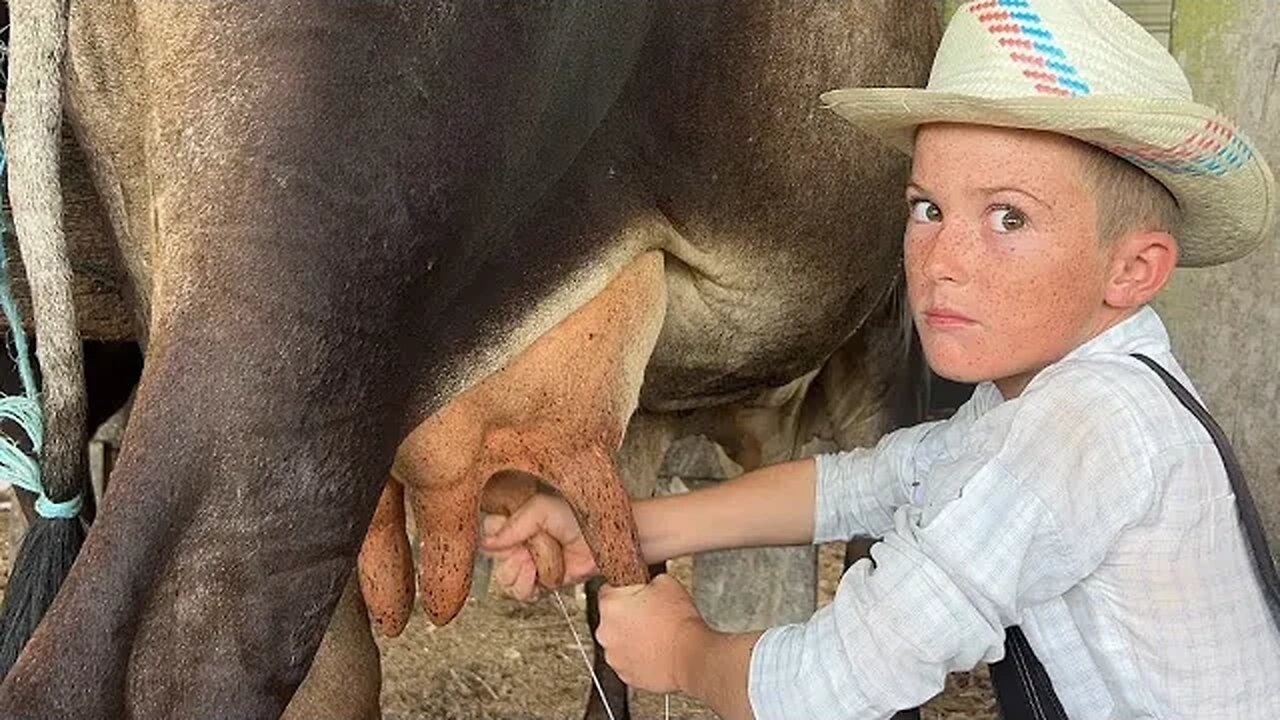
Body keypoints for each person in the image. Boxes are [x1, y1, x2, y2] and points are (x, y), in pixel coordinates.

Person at [480, 1, 1280, 718]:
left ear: (1133, 270)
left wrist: (683, 650)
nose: (942, 259)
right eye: (927, 208)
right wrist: (622, 529)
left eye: (1009, 217)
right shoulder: (1053, 400)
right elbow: (873, 483)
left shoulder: (1087, 428)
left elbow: (832, 686)